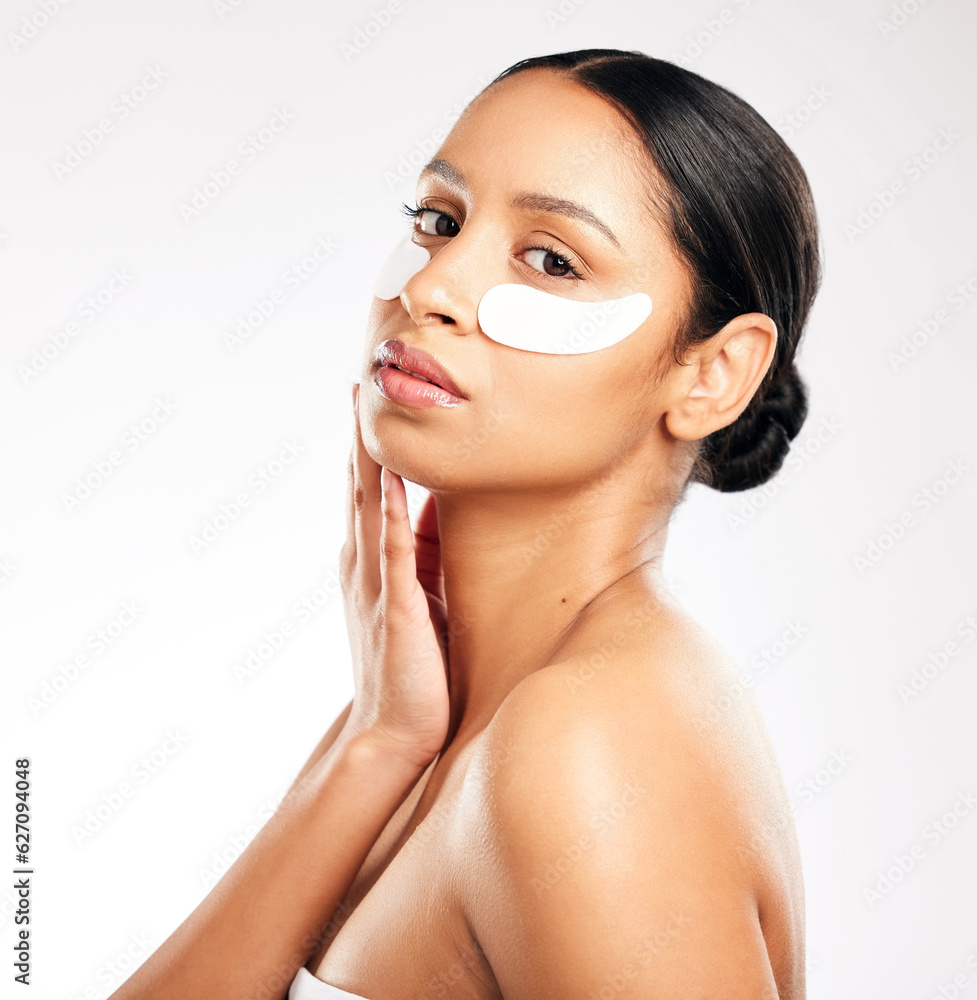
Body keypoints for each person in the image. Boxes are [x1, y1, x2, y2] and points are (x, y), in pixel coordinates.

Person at [110, 48, 820, 1000]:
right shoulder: (448, 721)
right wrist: (373, 745)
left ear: (711, 375)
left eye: (551, 259)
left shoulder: (587, 745)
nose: (432, 287)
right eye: (438, 221)